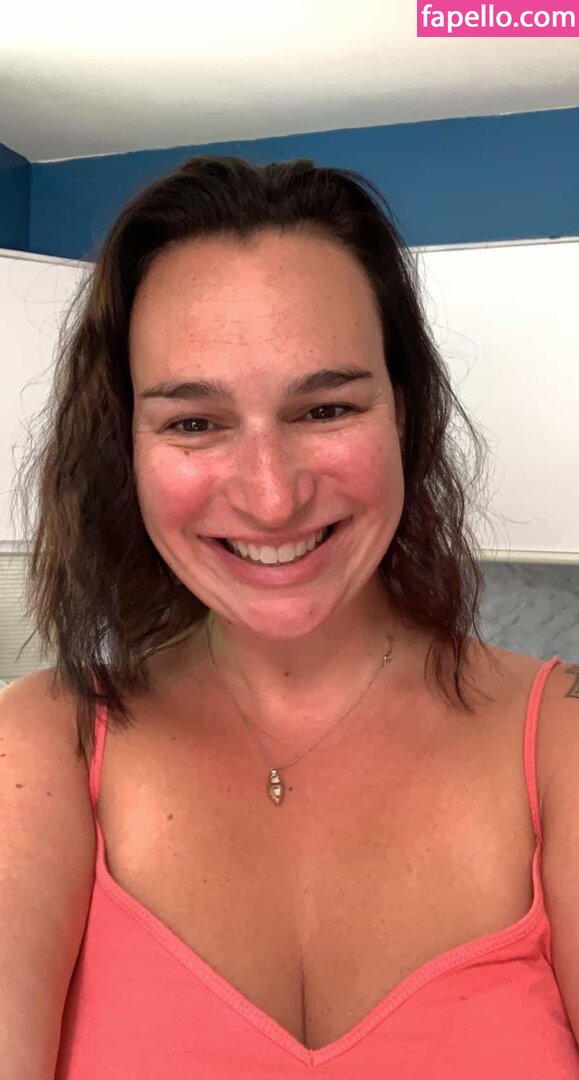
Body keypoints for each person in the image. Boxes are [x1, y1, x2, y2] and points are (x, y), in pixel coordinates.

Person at [2, 156, 578, 1078]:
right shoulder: (42, 748)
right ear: (125, 448)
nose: (271, 498)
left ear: (403, 416)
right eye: (194, 423)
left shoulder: (559, 744)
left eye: (324, 408)